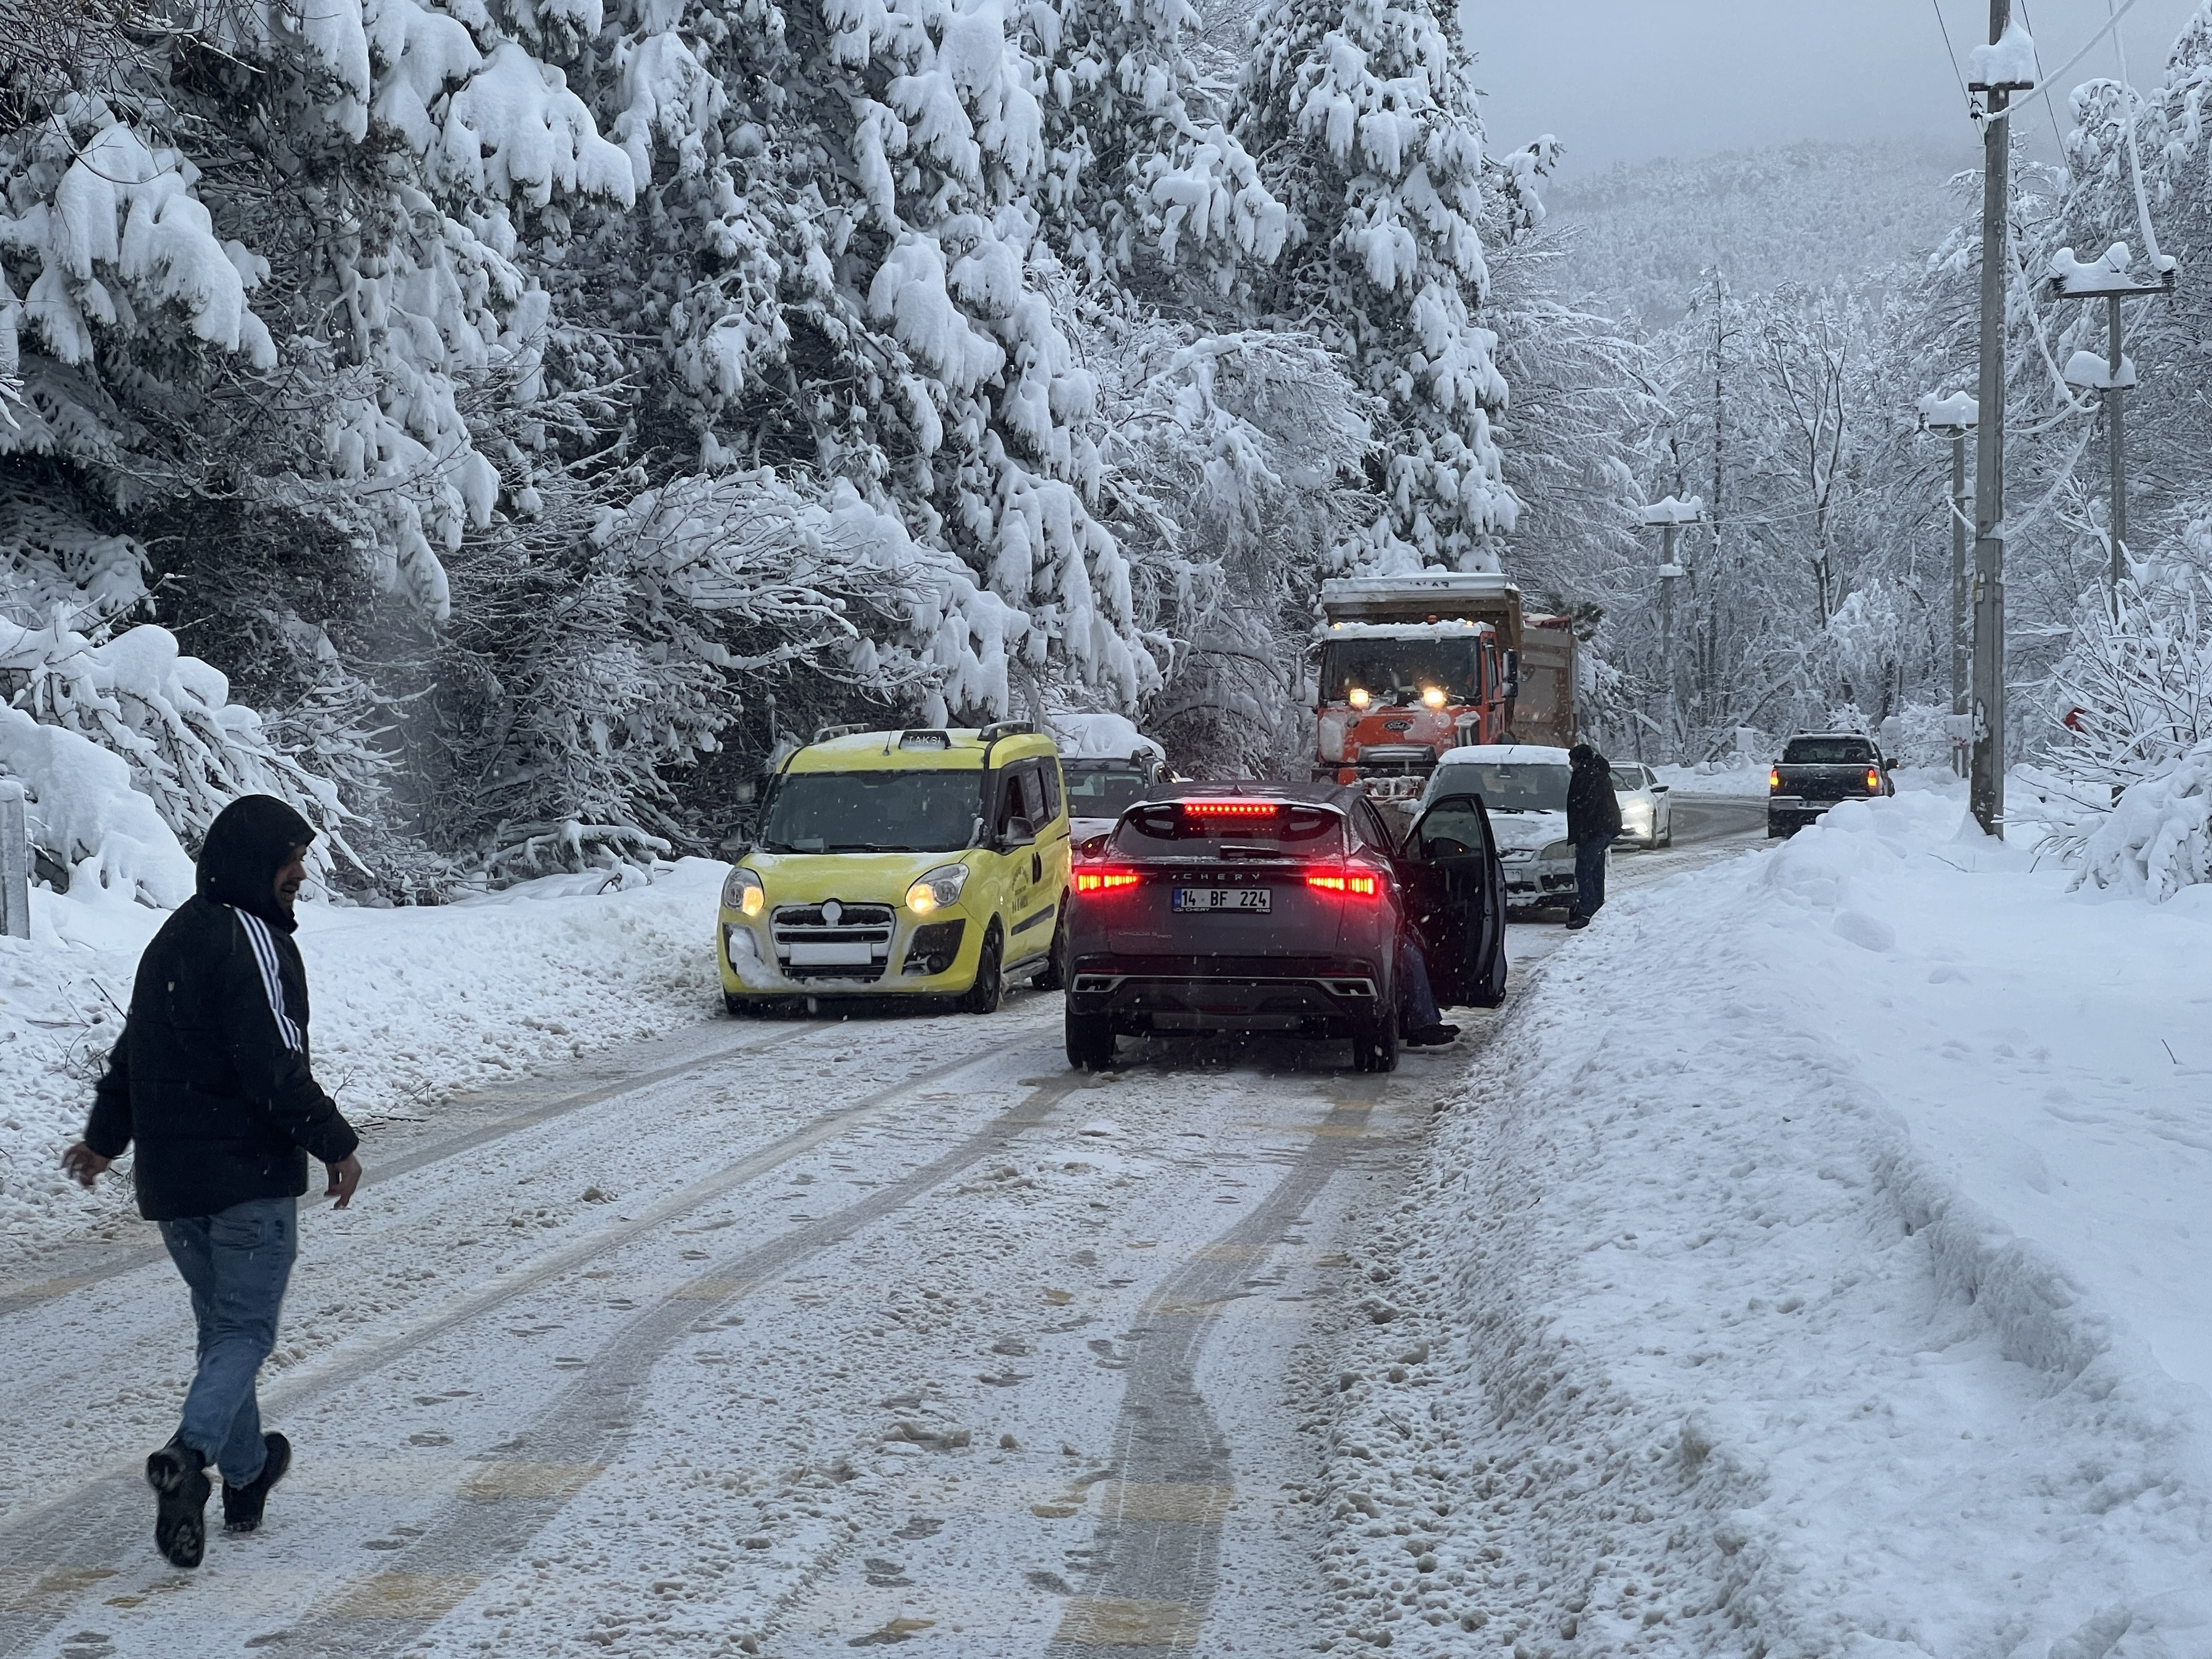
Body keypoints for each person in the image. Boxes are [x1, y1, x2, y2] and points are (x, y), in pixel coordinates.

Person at [62, 795, 363, 1570]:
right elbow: (271, 1063)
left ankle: (249, 1473)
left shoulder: (173, 939)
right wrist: (333, 1142)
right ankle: (189, 1458)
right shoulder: (251, 939)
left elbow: (135, 1053)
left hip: (174, 1190)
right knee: (245, 1333)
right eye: (290, 858)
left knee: (220, 1333)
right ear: (255, 863)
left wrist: (103, 1141)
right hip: (245, 1181)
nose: (300, 873)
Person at [1564, 742, 1621, 930]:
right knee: (1595, 870)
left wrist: (1583, 833)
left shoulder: (1588, 777)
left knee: (1584, 871)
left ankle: (1588, 911)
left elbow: (1586, 807)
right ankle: (1596, 908)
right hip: (1601, 830)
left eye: (1573, 760)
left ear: (1580, 761)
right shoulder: (1598, 774)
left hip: (1593, 832)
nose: (1571, 764)